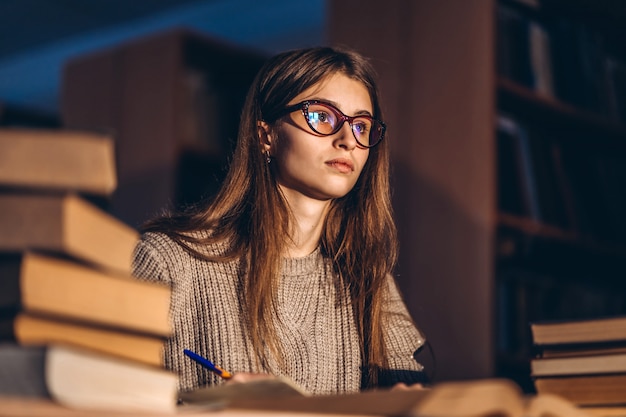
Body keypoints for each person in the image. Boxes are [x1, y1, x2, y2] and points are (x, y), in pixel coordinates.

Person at [132, 46, 427, 395]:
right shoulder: (169, 259)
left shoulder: (367, 280)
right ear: (266, 135)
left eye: (361, 125)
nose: (348, 140)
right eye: (322, 117)